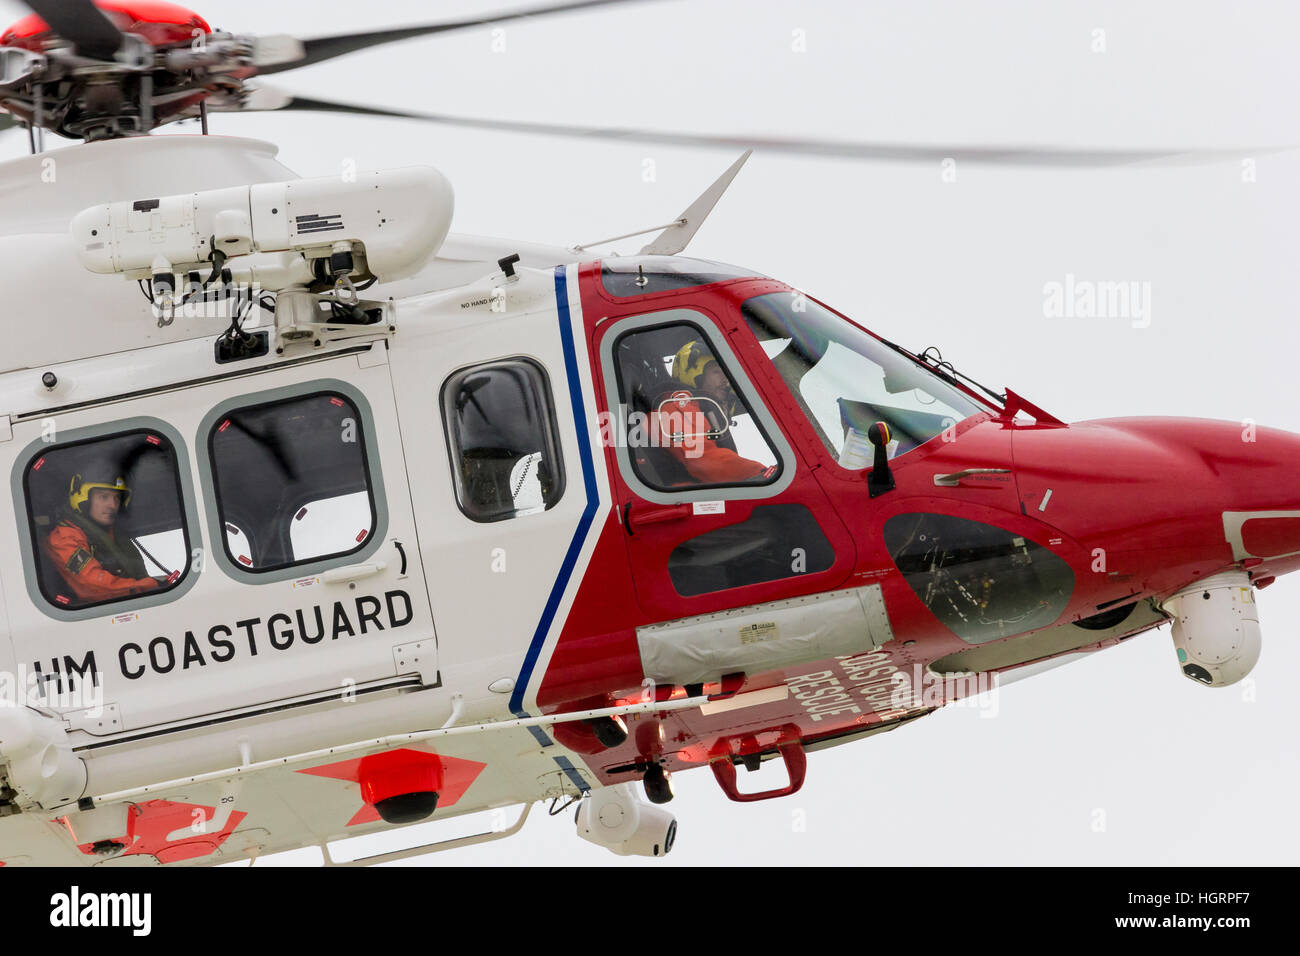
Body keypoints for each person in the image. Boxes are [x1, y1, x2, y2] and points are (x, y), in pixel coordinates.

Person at [647, 340, 777, 485]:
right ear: (693, 374)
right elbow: (704, 460)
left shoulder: (702, 409)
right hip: (685, 499)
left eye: (726, 373)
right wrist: (764, 475)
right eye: (716, 372)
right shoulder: (676, 407)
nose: (725, 380)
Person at [44, 465, 162, 604]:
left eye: (117, 498)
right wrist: (146, 586)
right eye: (104, 497)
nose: (112, 505)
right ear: (83, 498)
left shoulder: (113, 534)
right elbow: (91, 585)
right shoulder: (63, 538)